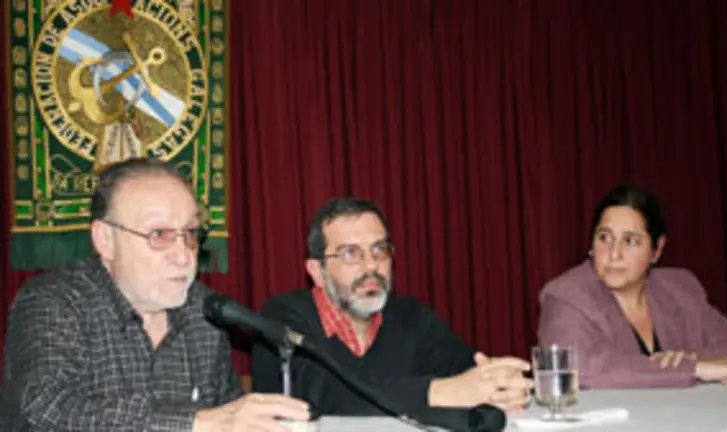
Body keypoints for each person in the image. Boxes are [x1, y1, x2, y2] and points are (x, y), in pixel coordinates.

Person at [0, 158, 309, 431]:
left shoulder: (203, 313)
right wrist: (193, 422)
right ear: (105, 240)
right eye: (159, 235)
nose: (184, 256)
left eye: (189, 234)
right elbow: (44, 408)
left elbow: (226, 413)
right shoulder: (53, 301)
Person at [251, 197, 532, 418]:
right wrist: (441, 392)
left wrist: (500, 386)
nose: (371, 265)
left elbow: (466, 371)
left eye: (379, 250)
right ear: (317, 271)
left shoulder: (413, 317)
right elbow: (321, 393)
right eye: (351, 253)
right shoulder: (282, 317)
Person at [537, 182, 727, 389]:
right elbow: (583, 367)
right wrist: (690, 369)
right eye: (604, 237)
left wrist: (694, 358)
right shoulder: (565, 295)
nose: (614, 254)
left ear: (656, 250)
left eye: (631, 241)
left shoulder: (680, 289)